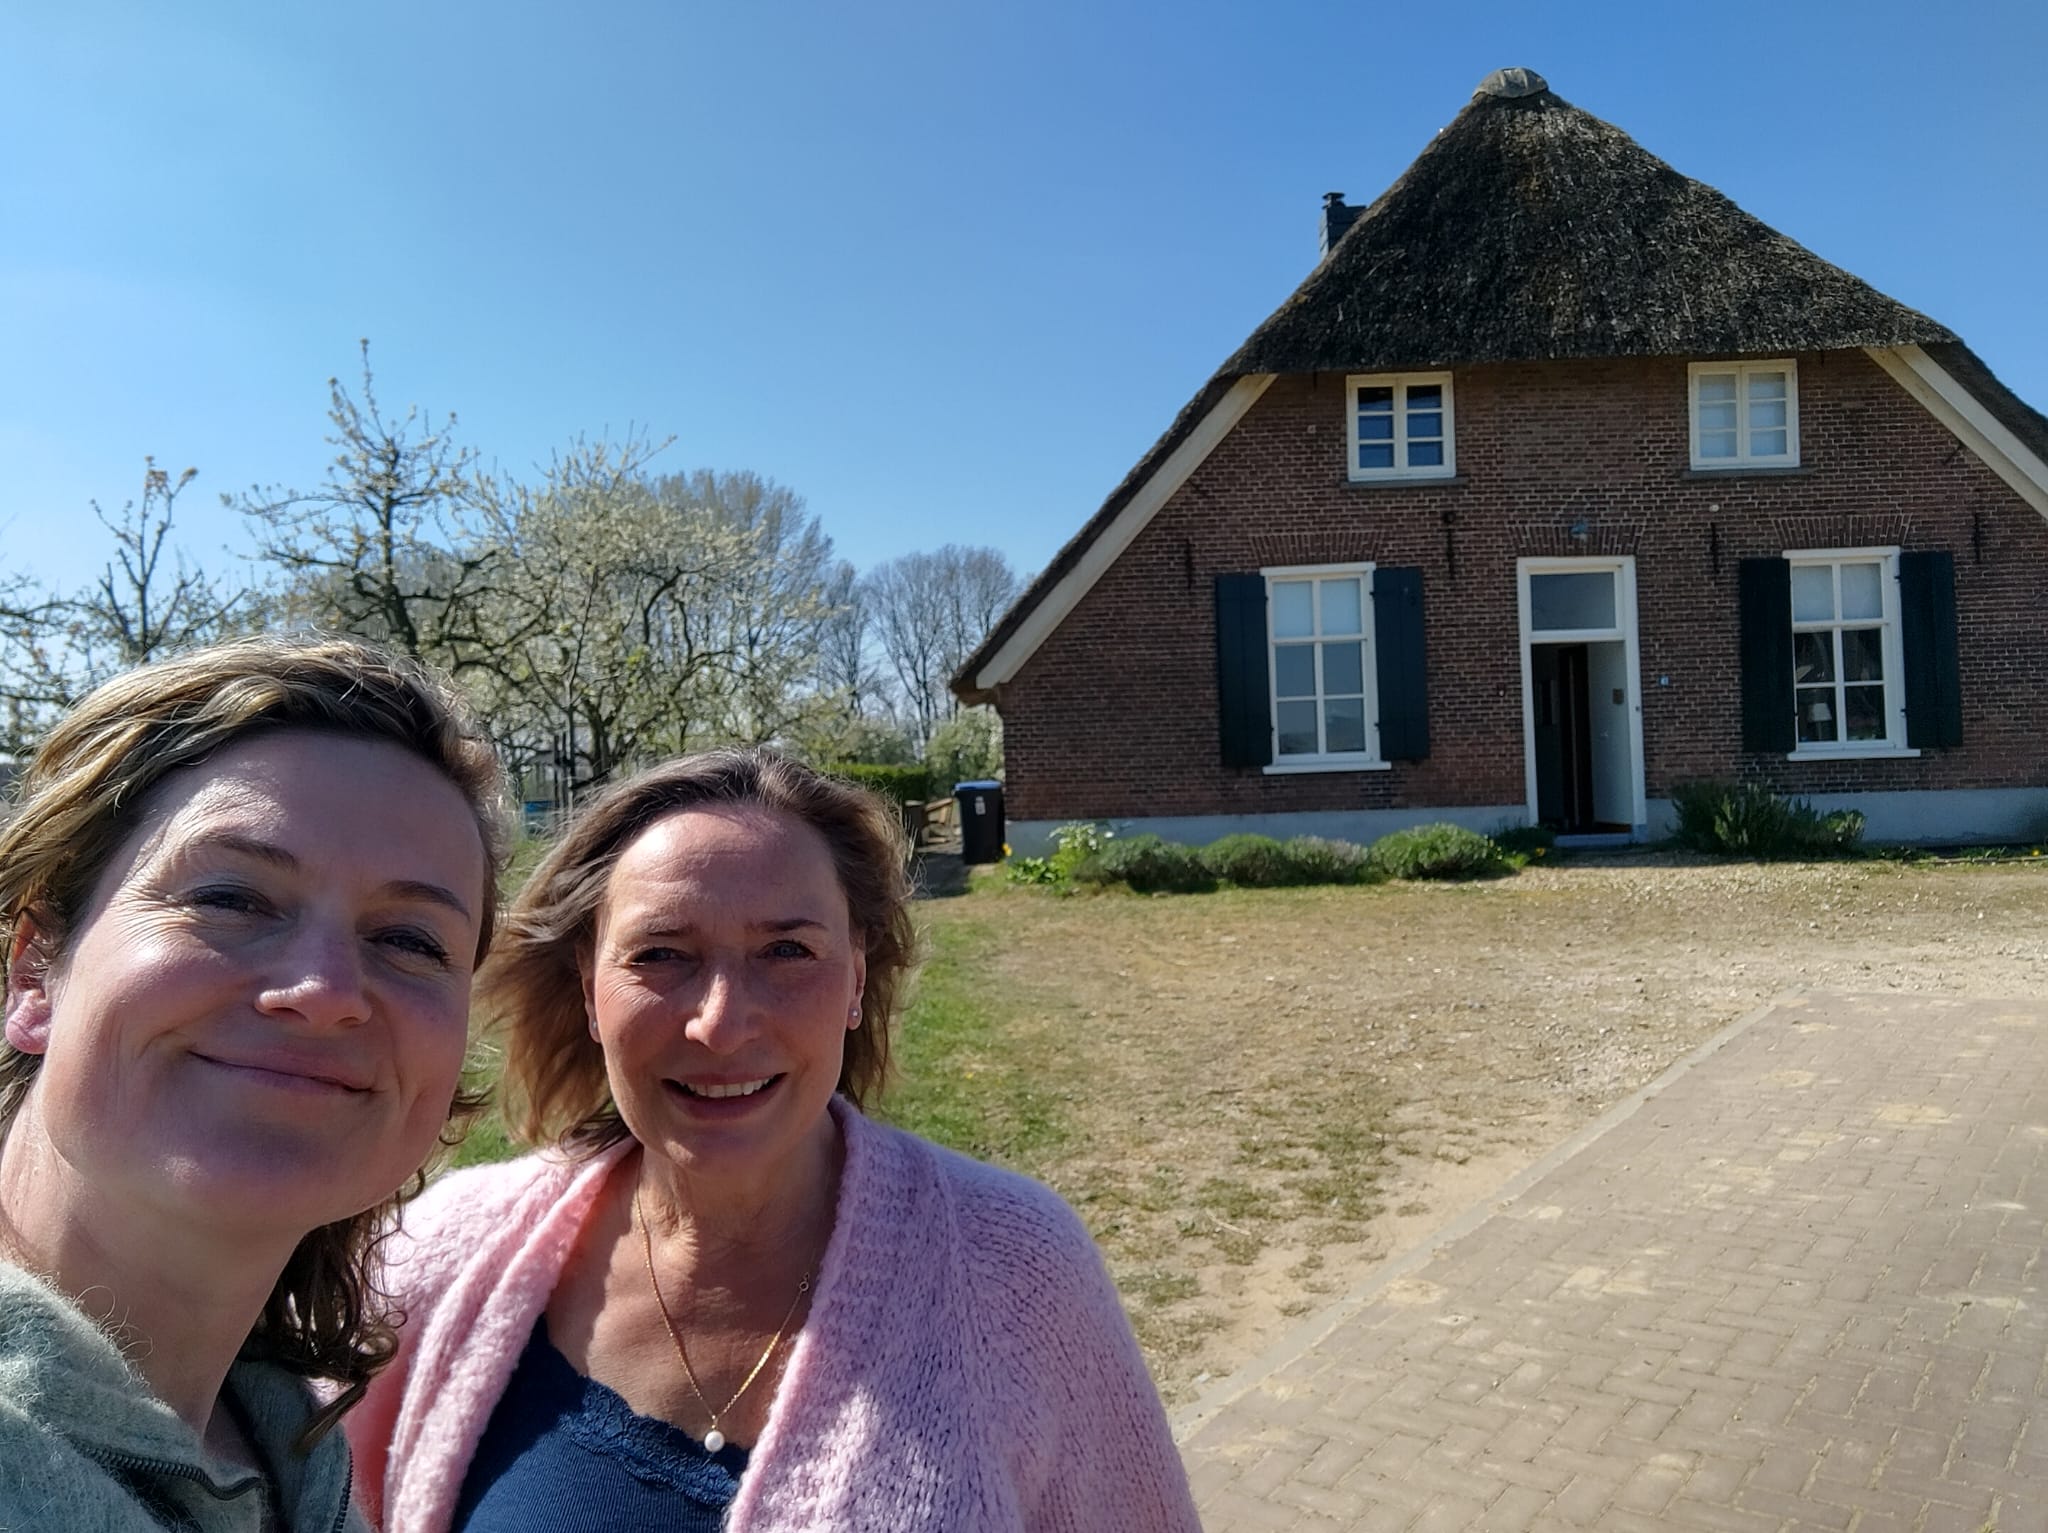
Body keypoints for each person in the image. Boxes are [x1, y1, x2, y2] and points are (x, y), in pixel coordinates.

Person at [352, 748, 1200, 1532]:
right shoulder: (431, 1260)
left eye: (787, 949)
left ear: (857, 975)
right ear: (587, 986)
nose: (721, 1023)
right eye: (661, 954)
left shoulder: (1019, 1273)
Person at [0, 635, 507, 1533]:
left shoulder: (287, 1449)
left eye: (409, 940)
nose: (325, 990)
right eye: (232, 897)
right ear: (35, 972)